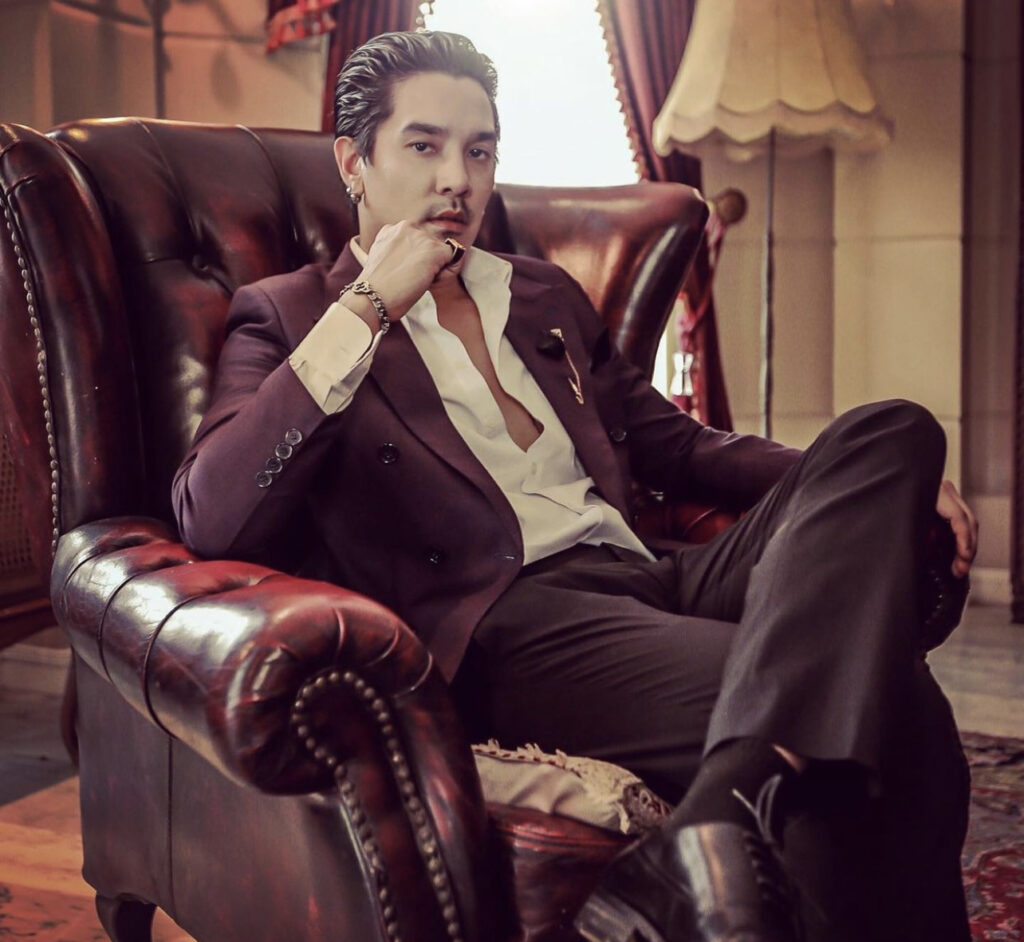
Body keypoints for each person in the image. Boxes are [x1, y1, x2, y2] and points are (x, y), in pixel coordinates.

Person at [172, 29, 978, 942]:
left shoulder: (542, 295)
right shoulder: (294, 314)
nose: (458, 180)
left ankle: (714, 818)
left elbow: (678, 446)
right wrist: (370, 307)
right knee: (903, 712)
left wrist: (880, 490)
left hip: (652, 575)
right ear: (354, 163)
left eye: (480, 152)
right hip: (513, 623)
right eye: (424, 146)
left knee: (895, 430)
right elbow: (213, 514)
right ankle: (733, 829)